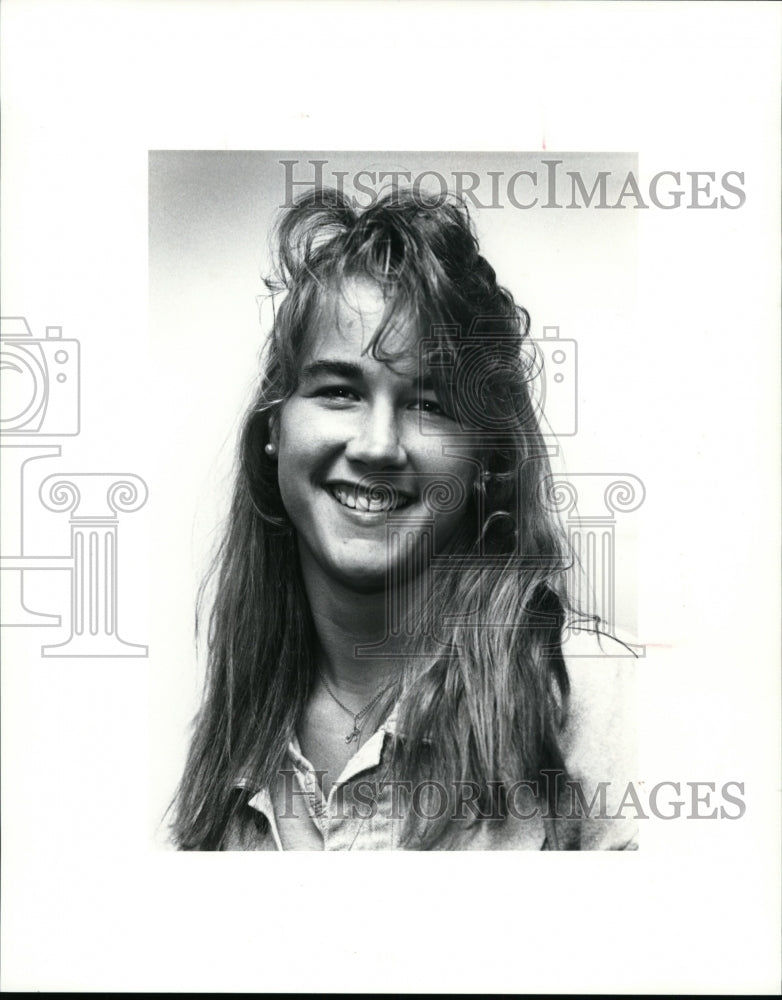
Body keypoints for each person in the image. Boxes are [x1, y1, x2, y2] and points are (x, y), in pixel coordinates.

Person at [170, 186, 638, 851]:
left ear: (484, 456)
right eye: (338, 391)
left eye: (428, 403)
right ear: (275, 425)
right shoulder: (227, 743)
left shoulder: (599, 700)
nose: (378, 446)